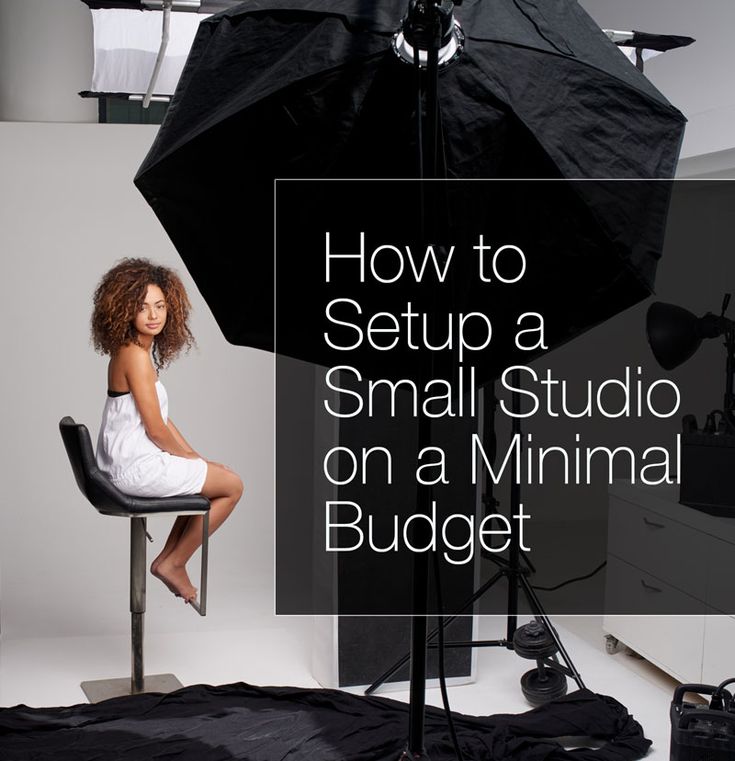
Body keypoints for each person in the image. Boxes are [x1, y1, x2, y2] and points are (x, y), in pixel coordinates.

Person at [91, 257, 243, 603]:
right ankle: (174, 562)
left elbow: (161, 419)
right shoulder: (134, 355)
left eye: (160, 306)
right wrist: (194, 462)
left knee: (213, 477)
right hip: (132, 469)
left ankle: (168, 560)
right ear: (125, 309)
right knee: (232, 485)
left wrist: (195, 459)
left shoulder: (134, 351)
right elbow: (156, 429)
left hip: (124, 464)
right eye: (143, 307)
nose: (153, 315)